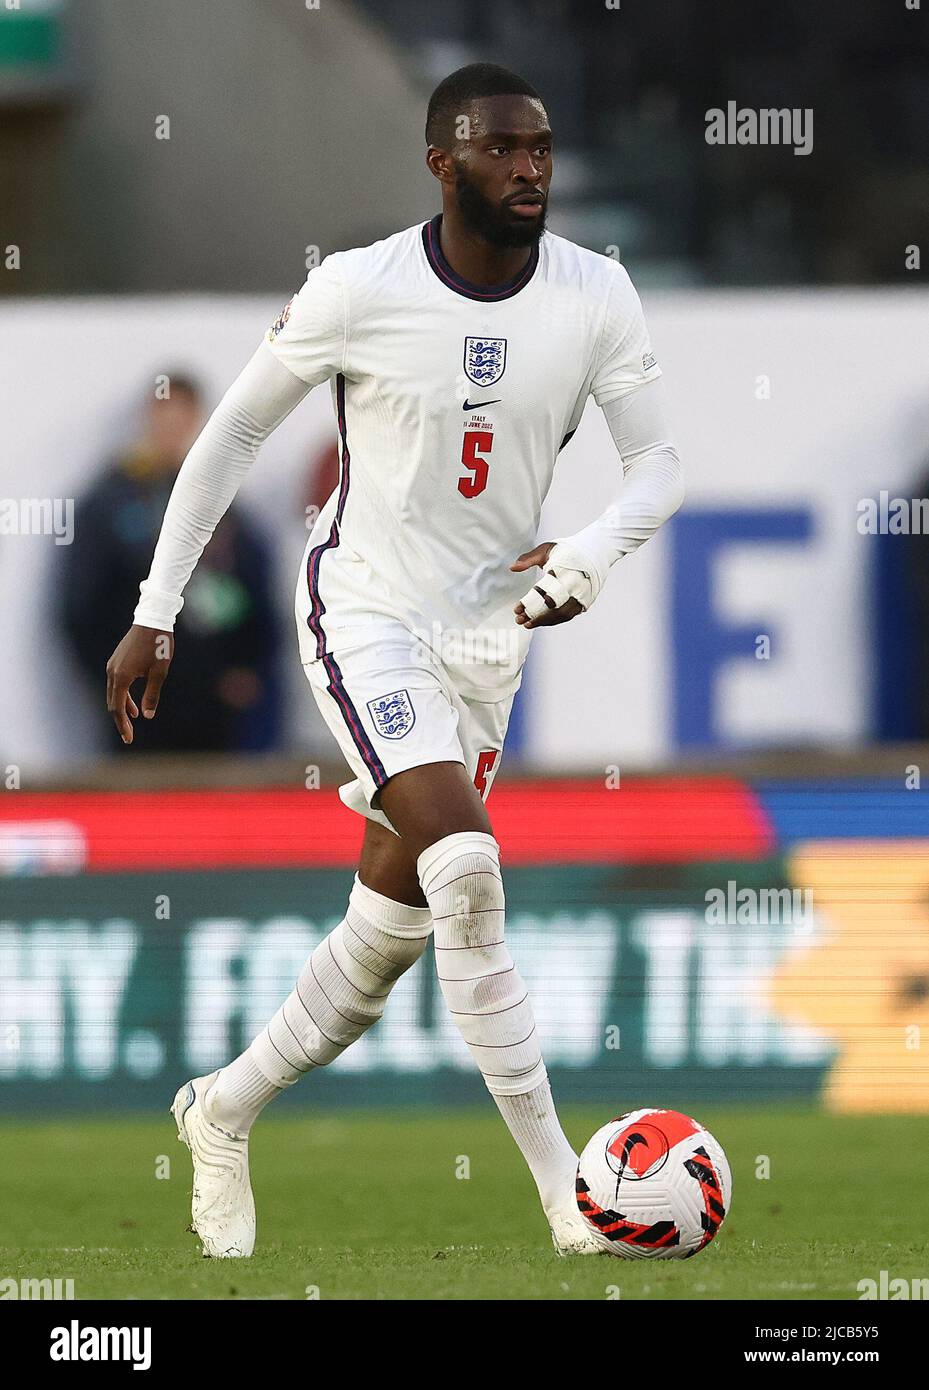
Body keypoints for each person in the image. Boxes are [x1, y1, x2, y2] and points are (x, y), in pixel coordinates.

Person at [105, 64, 684, 1257]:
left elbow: (658, 466)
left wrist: (592, 549)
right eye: (503, 148)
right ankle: (566, 1197)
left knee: (388, 936)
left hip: (486, 639)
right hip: (364, 606)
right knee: (467, 864)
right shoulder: (358, 286)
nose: (531, 168)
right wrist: (156, 608)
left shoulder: (595, 292)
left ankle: (223, 1109)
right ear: (442, 162)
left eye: (543, 148)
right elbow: (231, 438)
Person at [63, 375, 279, 752]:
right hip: (136, 701)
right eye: (164, 421)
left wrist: (245, 671)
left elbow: (257, 595)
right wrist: (108, 679)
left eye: (182, 422)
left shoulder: (226, 507)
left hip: (214, 706)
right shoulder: (110, 503)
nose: (172, 433)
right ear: (147, 420)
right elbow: (79, 604)